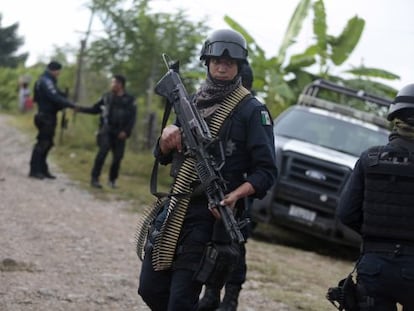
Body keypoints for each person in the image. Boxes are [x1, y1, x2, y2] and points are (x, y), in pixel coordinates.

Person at [137, 29, 278, 311]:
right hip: (175, 208)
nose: (222, 66)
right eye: (216, 61)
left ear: (239, 66)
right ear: (207, 63)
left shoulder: (252, 111)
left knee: (181, 300)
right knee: (150, 289)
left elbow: (266, 172)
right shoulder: (191, 103)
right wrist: (165, 141)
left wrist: (236, 195)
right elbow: (162, 155)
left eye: (229, 63)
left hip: (209, 218)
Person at [337, 84, 414, 310]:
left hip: (374, 266)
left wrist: (376, 235)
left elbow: (346, 213)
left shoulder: (370, 158)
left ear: (395, 117)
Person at [197, 61, 258, 311]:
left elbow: (262, 166)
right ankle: (211, 293)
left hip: (238, 194)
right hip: (212, 189)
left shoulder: (252, 111)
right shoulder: (212, 104)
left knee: (234, 245)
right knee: (210, 244)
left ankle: (231, 297)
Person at [76, 75, 137, 189]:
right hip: (106, 131)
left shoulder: (130, 100)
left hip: (121, 133)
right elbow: (95, 109)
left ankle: (112, 180)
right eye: (112, 82)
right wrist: (80, 109)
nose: (112, 85)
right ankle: (94, 179)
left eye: (114, 83)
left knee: (118, 157)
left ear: (120, 84)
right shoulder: (106, 97)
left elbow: (132, 118)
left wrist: (126, 132)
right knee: (102, 153)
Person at [29, 61, 77, 179]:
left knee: (48, 143)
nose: (59, 74)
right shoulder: (46, 81)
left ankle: (43, 169)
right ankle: (35, 170)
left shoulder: (46, 80)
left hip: (48, 115)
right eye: (58, 71)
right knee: (43, 143)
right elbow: (54, 96)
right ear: (55, 70)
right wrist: (70, 104)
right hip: (45, 116)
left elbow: (55, 95)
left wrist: (63, 98)